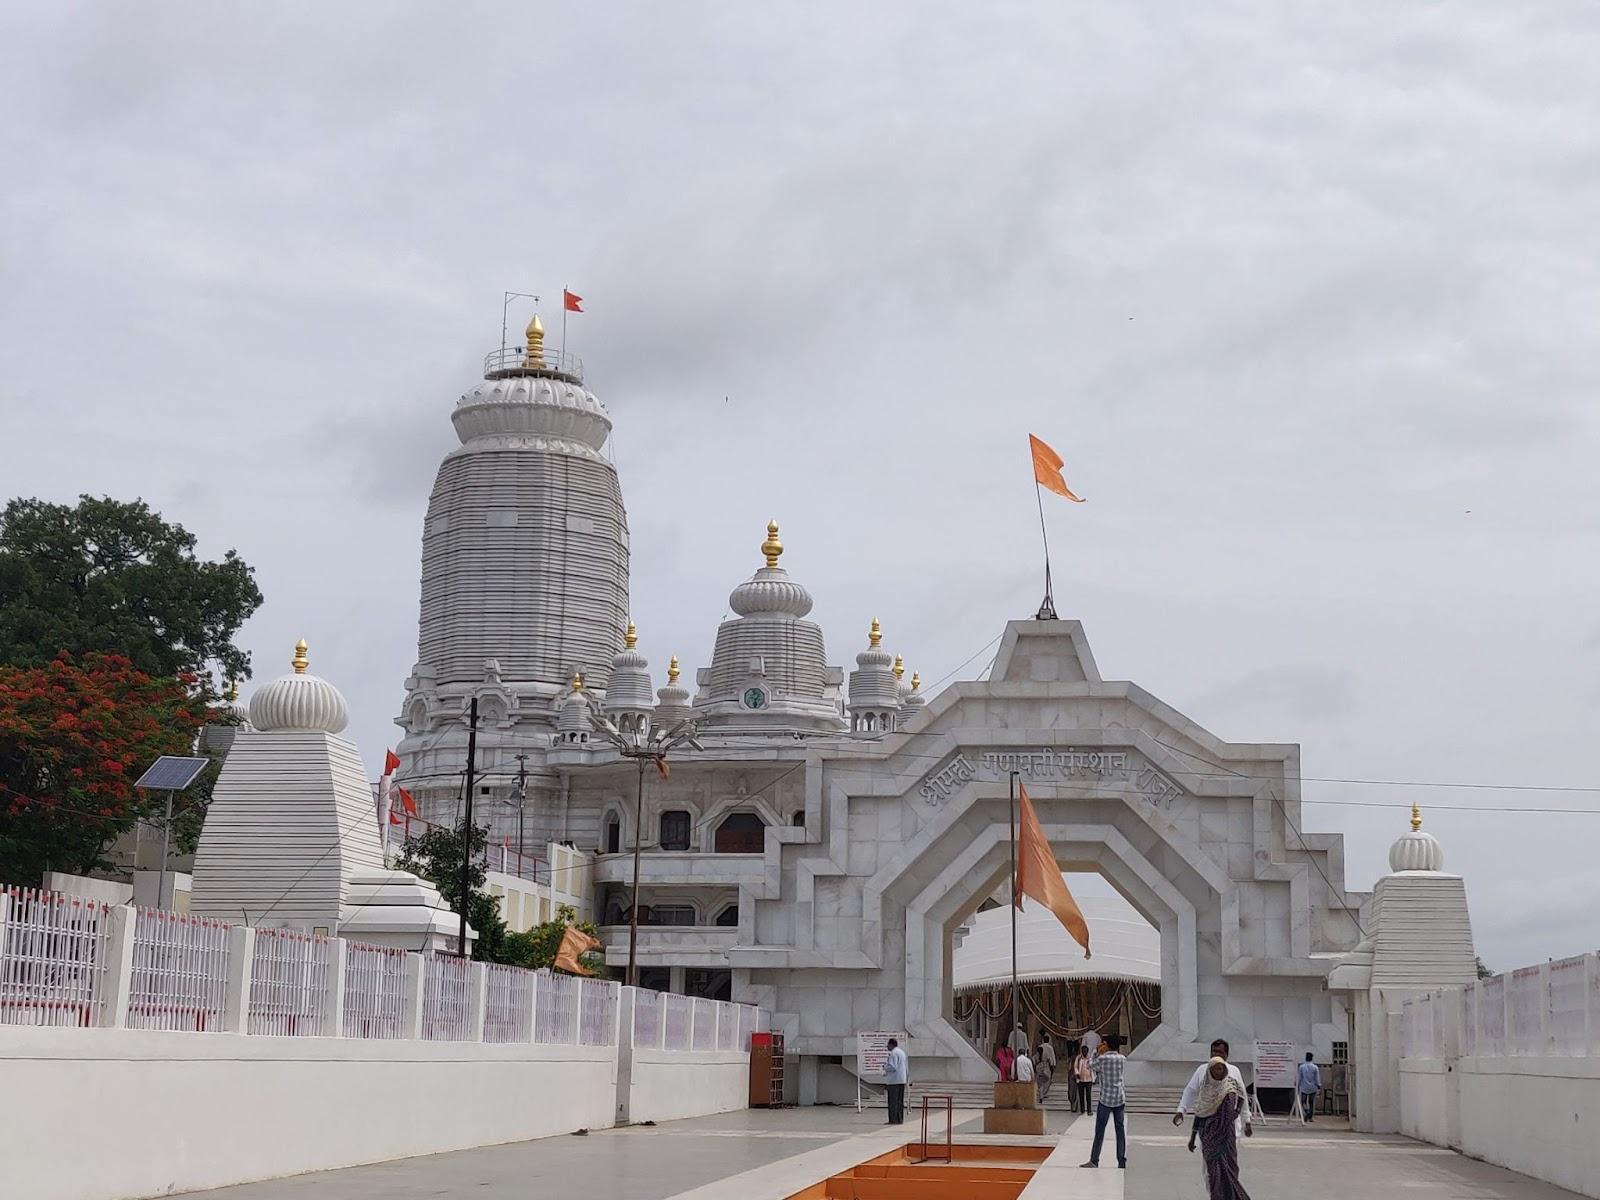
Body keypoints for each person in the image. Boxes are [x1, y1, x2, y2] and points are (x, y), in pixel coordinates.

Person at [1186, 1057, 1253, 1199]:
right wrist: (1192, 1138)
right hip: (1209, 1137)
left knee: (1230, 1170)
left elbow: (1241, 1097)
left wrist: (1241, 1116)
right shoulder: (1205, 1090)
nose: (1218, 1071)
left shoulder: (1230, 1087)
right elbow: (1199, 1114)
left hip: (1227, 1137)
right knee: (1214, 1174)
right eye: (1215, 1068)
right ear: (1210, 1070)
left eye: (1221, 1068)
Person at [1174, 1039, 1250, 1142]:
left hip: (1229, 1127)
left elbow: (1242, 1095)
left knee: (1227, 1157)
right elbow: (1190, 1091)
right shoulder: (1202, 1070)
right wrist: (1181, 1110)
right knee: (1208, 1157)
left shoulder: (1234, 1071)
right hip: (1207, 1126)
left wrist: (1247, 1120)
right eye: (1214, 1051)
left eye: (1220, 1052)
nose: (1216, 1054)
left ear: (1226, 1055)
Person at [1079, 1035, 1127, 1169]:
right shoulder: (1122, 1059)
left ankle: (1094, 1160)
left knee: (1100, 1131)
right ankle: (1121, 1160)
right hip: (1119, 1098)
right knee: (1120, 1131)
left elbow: (1089, 1065)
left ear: (1107, 1045)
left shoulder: (1102, 1059)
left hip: (1105, 1098)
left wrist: (1096, 1051)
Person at [884, 1037, 909, 1126]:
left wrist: (885, 1067)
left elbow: (892, 1067)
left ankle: (893, 1119)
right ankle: (899, 1119)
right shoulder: (902, 1052)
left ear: (891, 1045)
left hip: (894, 1080)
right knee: (899, 1101)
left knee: (892, 1101)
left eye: (888, 1045)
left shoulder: (893, 1053)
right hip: (902, 1079)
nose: (887, 1047)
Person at [1297, 1052, 1322, 1123]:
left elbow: (1299, 1077)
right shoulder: (1315, 1067)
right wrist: (1318, 1085)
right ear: (1312, 1058)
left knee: (1303, 1102)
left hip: (1304, 1087)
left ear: (1305, 1058)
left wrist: (1298, 1085)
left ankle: (1306, 1111)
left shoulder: (1301, 1067)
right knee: (1311, 1102)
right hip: (1313, 1087)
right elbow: (1317, 1078)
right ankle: (1310, 1117)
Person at [1072, 1045, 1094, 1115]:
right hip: (1080, 1079)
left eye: (1086, 1052)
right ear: (1082, 1051)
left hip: (1088, 1080)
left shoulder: (1090, 1058)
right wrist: (1077, 1073)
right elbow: (1075, 1066)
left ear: (1087, 1052)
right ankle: (1082, 1110)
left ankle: (1089, 1110)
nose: (1084, 1053)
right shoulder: (1078, 1058)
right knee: (1081, 1095)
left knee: (1088, 1095)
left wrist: (1093, 1079)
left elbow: (1092, 1068)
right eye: (1083, 1051)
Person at [1037, 1035, 1057, 1100]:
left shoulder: (1040, 1046)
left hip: (1040, 1065)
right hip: (1046, 1065)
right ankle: (1044, 1093)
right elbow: (1052, 1056)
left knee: (1040, 1080)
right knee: (1047, 1080)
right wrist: (1053, 1064)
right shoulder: (1050, 1047)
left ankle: (1041, 1093)